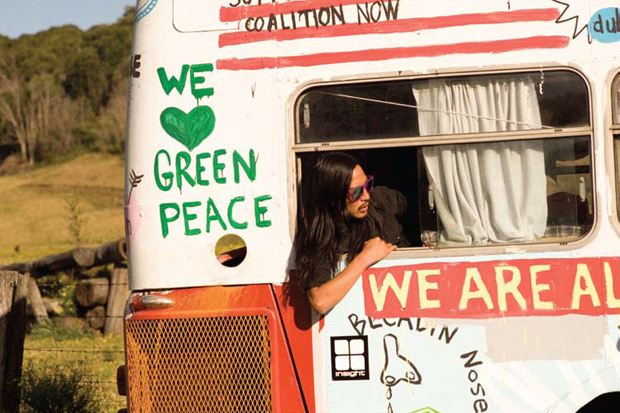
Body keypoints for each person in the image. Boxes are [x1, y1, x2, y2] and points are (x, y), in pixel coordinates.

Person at [294, 152, 409, 314]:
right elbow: (320, 301)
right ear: (333, 198)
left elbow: (416, 204)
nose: (366, 196)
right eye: (356, 192)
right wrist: (364, 258)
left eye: (368, 185)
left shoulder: (382, 200)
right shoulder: (323, 233)